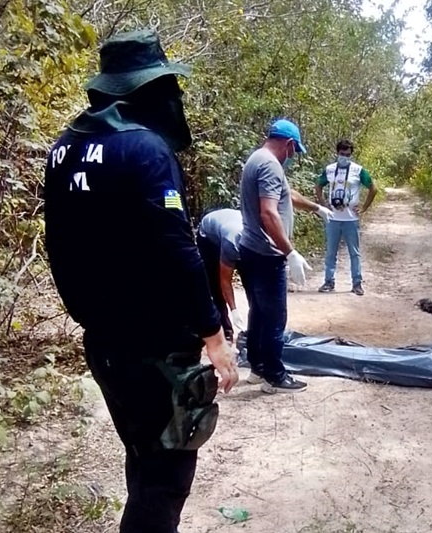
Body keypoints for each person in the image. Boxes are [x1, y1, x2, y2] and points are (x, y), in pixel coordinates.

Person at [42, 29, 239, 533]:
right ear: (148, 89)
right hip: (156, 350)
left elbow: (60, 243)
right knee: (165, 480)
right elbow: (177, 249)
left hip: (105, 342)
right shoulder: (145, 149)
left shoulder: (64, 149)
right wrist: (214, 336)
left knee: (143, 458)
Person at [238, 118, 332, 393]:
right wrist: (289, 252)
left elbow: (286, 194)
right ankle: (275, 376)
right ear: (289, 144)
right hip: (267, 254)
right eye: (294, 150)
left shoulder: (258, 159)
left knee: (259, 313)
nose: (293, 156)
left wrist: (316, 208)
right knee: (275, 317)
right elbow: (268, 212)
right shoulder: (269, 164)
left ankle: (257, 367)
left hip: (250, 249)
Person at [315, 139, 377, 296]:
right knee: (331, 252)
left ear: (351, 154)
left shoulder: (358, 170)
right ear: (337, 153)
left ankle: (357, 283)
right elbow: (318, 185)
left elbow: (373, 188)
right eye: (342, 154)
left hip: (351, 219)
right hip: (333, 218)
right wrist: (322, 204)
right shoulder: (329, 170)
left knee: (354, 253)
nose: (345, 157)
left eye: (348, 155)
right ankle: (329, 281)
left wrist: (363, 208)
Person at [196, 208, 246, 343]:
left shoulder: (257, 239)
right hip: (208, 237)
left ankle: (253, 329)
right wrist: (234, 310)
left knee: (249, 279)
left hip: (229, 225)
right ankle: (226, 328)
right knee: (215, 284)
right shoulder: (231, 244)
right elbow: (225, 280)